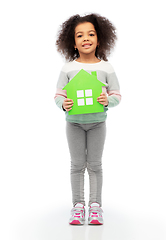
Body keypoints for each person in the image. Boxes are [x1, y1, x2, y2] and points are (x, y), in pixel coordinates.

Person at [54, 13, 121, 225]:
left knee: (94, 165)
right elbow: (58, 95)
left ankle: (95, 206)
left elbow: (117, 95)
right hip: (73, 124)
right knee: (76, 165)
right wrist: (62, 104)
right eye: (80, 35)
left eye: (91, 34)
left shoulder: (106, 68)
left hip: (97, 124)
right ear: (73, 42)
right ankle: (77, 206)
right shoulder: (68, 68)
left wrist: (107, 100)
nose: (86, 38)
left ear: (99, 39)